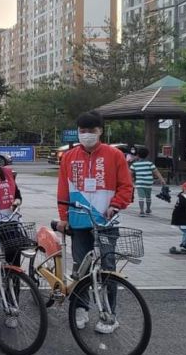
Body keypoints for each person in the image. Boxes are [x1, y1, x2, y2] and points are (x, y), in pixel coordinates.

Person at [56, 111, 133, 334]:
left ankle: (110, 314)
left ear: (101, 131)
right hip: (79, 222)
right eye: (83, 131)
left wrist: (116, 205)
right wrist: (63, 217)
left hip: (107, 221)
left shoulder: (114, 155)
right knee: (81, 269)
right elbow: (63, 190)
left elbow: (126, 186)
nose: (87, 135)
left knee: (108, 268)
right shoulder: (69, 157)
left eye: (92, 130)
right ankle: (81, 309)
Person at [129, 147, 166, 217]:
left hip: (140, 183)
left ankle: (142, 211)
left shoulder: (134, 164)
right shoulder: (150, 164)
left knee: (141, 197)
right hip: (148, 182)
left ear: (138, 155)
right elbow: (156, 172)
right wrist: (162, 180)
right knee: (148, 197)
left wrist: (130, 181)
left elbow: (129, 174)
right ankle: (148, 209)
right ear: (147, 155)